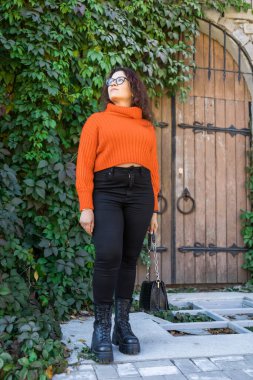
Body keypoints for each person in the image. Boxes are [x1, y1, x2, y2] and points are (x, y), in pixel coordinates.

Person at [75, 66, 160, 363]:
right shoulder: (96, 121)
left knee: (128, 258)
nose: (113, 83)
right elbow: (84, 165)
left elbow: (153, 168)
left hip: (141, 193)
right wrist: (86, 205)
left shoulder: (147, 127)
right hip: (106, 191)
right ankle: (101, 327)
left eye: (120, 80)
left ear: (134, 88)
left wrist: (154, 209)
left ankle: (122, 326)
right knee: (108, 253)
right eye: (111, 80)